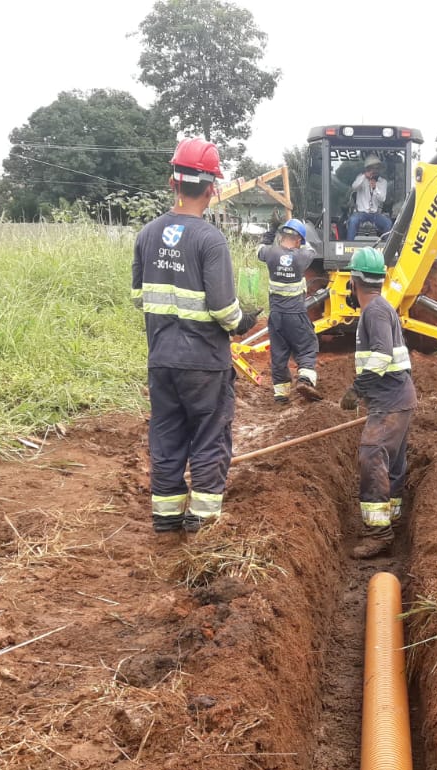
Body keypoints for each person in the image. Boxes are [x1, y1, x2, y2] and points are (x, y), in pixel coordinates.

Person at [132, 137, 258, 536]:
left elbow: (139, 297)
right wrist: (241, 321)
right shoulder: (210, 239)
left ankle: (166, 516)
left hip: (161, 359)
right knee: (209, 435)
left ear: (173, 182)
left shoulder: (147, 234)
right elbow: (222, 308)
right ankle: (202, 521)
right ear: (211, 188)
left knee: (167, 435)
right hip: (204, 362)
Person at [339, 247, 416, 559]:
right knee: (392, 463)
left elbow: (382, 354)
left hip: (391, 401)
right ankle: (392, 519)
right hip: (397, 398)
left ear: (354, 281)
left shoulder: (374, 311)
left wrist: (357, 390)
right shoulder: (382, 308)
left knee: (372, 456)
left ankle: (379, 533)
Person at [257, 218, 320, 404]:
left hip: (276, 316)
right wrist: (303, 237)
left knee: (279, 353)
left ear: (281, 236)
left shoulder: (270, 253)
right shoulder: (301, 258)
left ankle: (281, 395)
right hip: (295, 314)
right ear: (298, 240)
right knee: (308, 346)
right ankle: (305, 380)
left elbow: (260, 248)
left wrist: (272, 228)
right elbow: (311, 250)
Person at [346, 154, 392, 241]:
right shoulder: (361, 178)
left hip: (375, 214)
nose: (374, 171)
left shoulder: (383, 182)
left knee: (388, 223)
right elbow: (354, 187)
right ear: (367, 169)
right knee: (352, 221)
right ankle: (349, 245)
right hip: (361, 213)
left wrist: (375, 188)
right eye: (372, 168)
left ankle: (388, 247)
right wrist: (364, 176)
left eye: (376, 168)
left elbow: (382, 199)